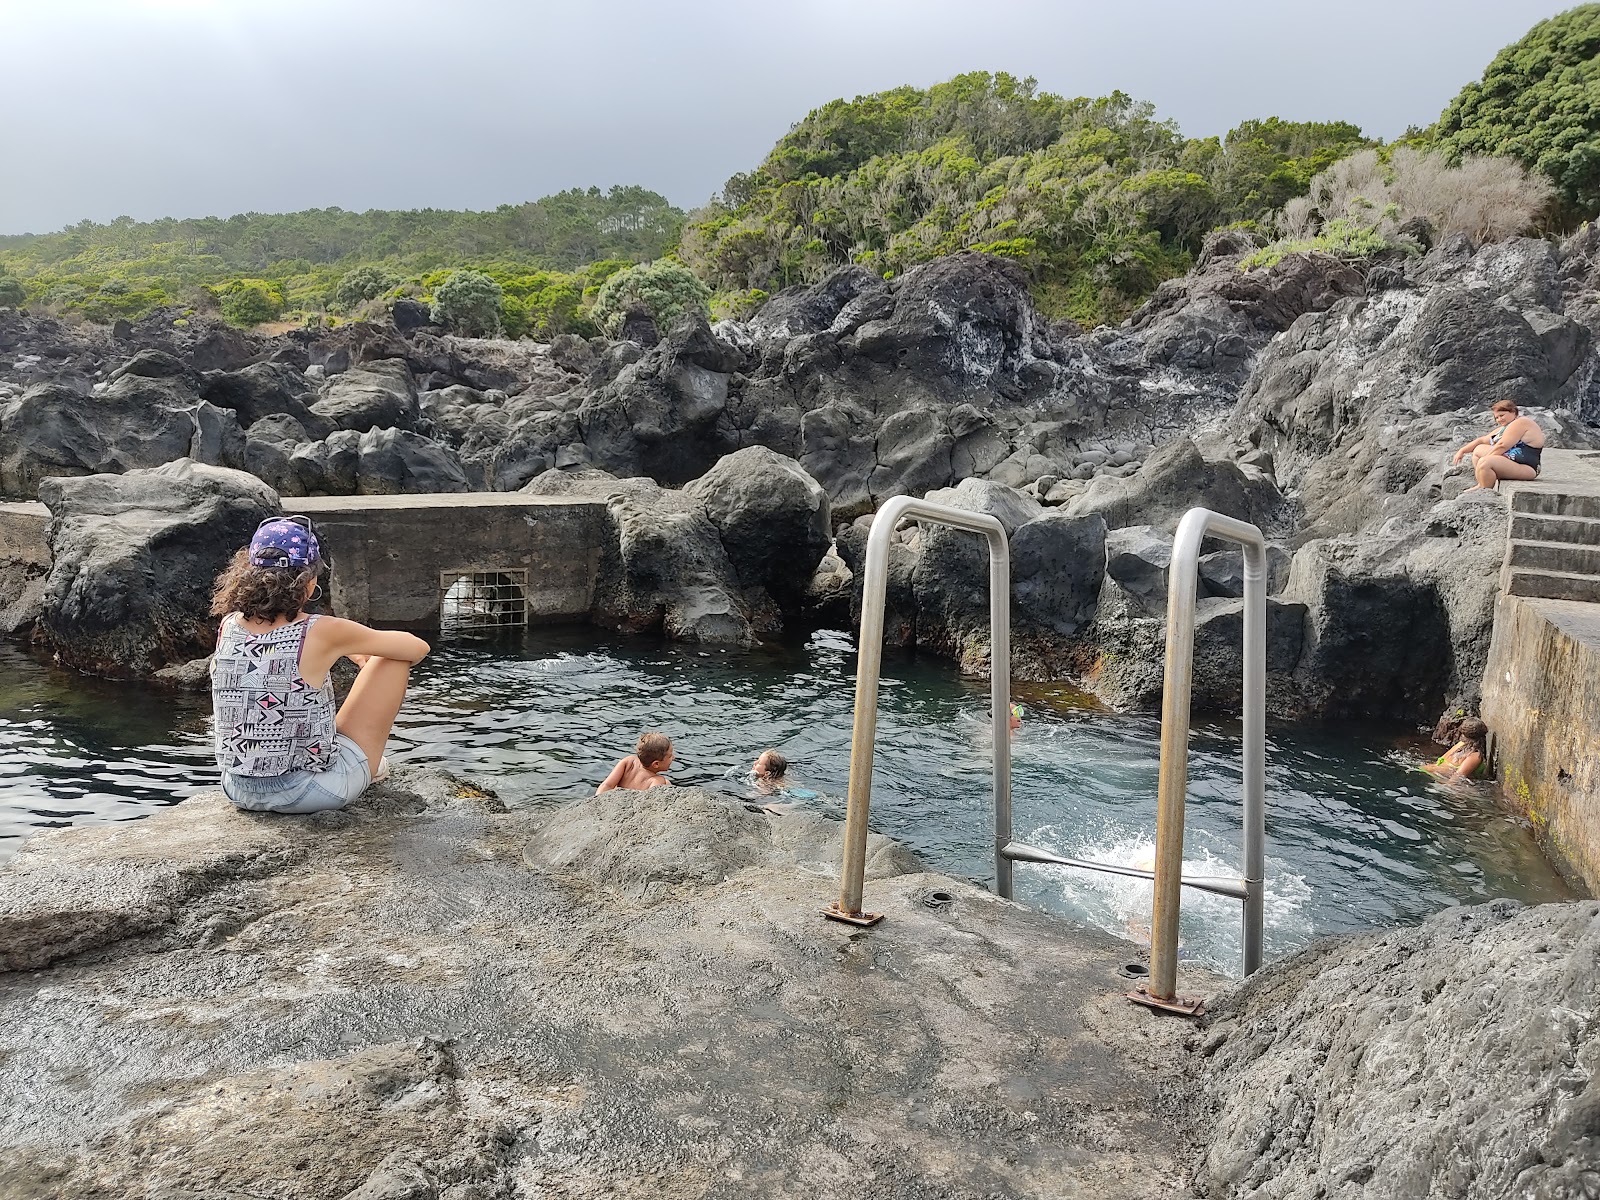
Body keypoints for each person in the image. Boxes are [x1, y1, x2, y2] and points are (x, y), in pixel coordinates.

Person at [210, 515, 430, 814]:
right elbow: (416, 648)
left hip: (236, 788)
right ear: (309, 584)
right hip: (309, 793)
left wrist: (344, 647)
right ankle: (366, 765)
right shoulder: (320, 630)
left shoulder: (228, 625)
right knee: (392, 660)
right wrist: (355, 647)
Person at [1452, 399, 1544, 491]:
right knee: (1478, 450)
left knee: (1485, 462)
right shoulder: (1505, 428)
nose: (1499, 419)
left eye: (1502, 415)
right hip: (1512, 461)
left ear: (1513, 412)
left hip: (1527, 468)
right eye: (1496, 418)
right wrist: (1462, 451)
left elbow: (1502, 445)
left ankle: (1485, 489)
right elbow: (1482, 440)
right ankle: (1482, 483)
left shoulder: (1521, 422)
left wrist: (1485, 460)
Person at [597, 731, 675, 793]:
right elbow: (650, 803)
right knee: (667, 784)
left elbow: (606, 785)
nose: (674, 757)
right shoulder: (657, 780)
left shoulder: (628, 762)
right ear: (656, 764)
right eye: (670, 756)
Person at [1422, 717, 1489, 782]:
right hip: (1437, 776)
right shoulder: (1475, 755)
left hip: (1427, 770)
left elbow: (1439, 762)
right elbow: (1457, 777)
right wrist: (1447, 786)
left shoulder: (1460, 744)